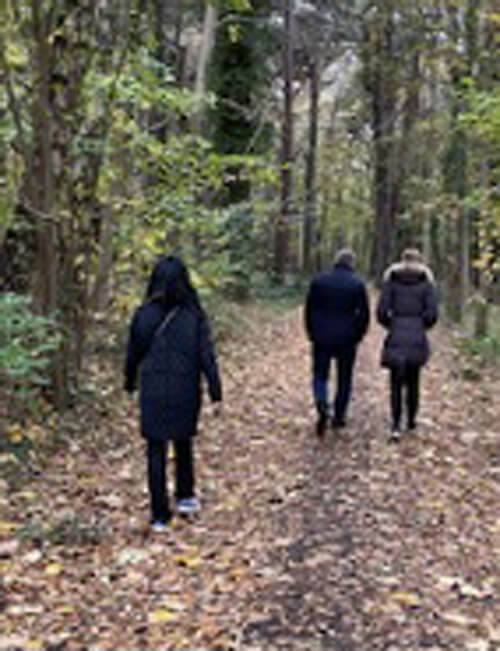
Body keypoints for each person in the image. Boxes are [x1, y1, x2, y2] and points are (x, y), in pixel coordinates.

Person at [124, 256, 222, 531]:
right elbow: (206, 356)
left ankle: (159, 515)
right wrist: (216, 392)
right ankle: (185, 496)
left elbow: (133, 355)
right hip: (186, 386)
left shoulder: (143, 315)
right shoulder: (193, 315)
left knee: (155, 448)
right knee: (183, 440)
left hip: (153, 387)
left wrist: (129, 383)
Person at [305, 248, 370, 438]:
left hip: (321, 336)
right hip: (347, 338)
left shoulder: (319, 281)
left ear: (335, 261)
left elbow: (309, 309)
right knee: (344, 377)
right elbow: (364, 315)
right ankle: (339, 416)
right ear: (352, 263)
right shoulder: (357, 284)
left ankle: (321, 402)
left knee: (320, 374)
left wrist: (311, 332)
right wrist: (358, 335)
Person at [376, 248, 438, 442]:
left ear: (402, 260)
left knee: (395, 381)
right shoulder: (426, 283)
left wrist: (392, 324)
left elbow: (381, 311)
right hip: (416, 335)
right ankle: (411, 420)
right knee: (413, 379)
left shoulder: (391, 281)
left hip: (396, 334)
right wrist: (421, 326)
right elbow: (432, 314)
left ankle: (395, 424)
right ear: (419, 261)